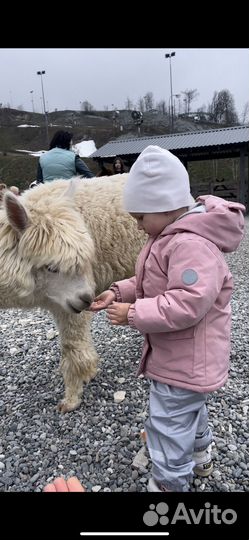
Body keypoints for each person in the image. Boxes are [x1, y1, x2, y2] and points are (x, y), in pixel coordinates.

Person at [89, 145, 245, 492]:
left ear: (167, 205)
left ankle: (167, 489)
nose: (138, 226)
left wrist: (134, 313)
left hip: (184, 360)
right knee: (190, 409)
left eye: (141, 217)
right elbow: (154, 280)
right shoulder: (168, 236)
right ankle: (201, 456)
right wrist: (118, 291)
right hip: (183, 358)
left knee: (167, 423)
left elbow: (188, 302)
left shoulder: (190, 245)